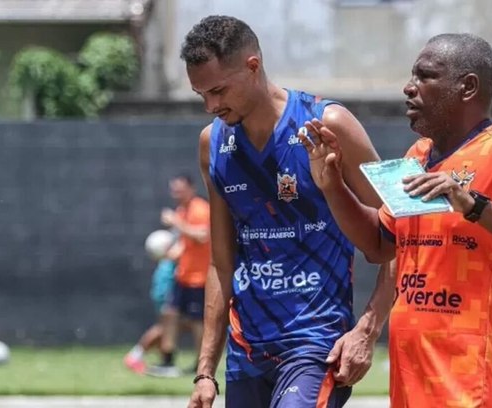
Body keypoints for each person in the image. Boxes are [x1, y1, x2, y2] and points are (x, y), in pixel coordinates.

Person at [300, 33, 492, 407]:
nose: (409, 88)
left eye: (425, 76)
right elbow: (380, 244)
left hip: (477, 387)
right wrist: (332, 186)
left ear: (468, 87)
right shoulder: (420, 154)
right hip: (414, 383)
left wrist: (472, 204)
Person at [182, 15, 395, 408]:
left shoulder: (326, 123)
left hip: (315, 344)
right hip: (247, 347)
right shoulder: (212, 143)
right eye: (201, 96)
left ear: (252, 66)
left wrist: (368, 327)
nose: (211, 106)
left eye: (218, 90)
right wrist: (205, 371)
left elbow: (405, 230)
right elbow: (221, 264)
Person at [147, 174, 212, 377]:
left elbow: (202, 236)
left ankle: (201, 364)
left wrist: (176, 222)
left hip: (199, 278)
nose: (176, 193)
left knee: (197, 322)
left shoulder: (200, 209)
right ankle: (167, 360)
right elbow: (186, 244)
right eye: (173, 189)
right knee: (169, 313)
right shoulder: (182, 211)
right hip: (182, 275)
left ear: (191, 188)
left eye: (180, 189)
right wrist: (169, 255)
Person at [124, 236, 183, 374]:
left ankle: (164, 361)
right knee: (164, 328)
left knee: (167, 329)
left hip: (163, 295)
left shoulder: (165, 263)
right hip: (165, 295)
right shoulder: (169, 261)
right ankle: (134, 356)